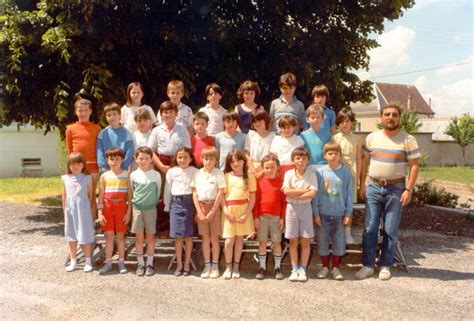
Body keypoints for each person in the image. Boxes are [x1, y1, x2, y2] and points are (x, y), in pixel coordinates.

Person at [356, 104, 420, 281]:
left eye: (394, 115)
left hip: (396, 189)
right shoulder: (371, 138)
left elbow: (415, 166)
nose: (390, 117)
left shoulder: (408, 139)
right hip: (373, 187)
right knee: (370, 228)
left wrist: (408, 189)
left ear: (399, 118)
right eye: (387, 114)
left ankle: (385, 265)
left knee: (391, 229)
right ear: (381, 117)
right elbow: (366, 163)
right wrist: (363, 184)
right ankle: (368, 265)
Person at [148, 100, 191, 238]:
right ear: (161, 114)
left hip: (178, 163)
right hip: (161, 164)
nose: (168, 115)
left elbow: (187, 150)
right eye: (165, 112)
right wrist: (161, 166)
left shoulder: (182, 130)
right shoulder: (156, 131)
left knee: (177, 195)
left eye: (171, 112)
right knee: (161, 198)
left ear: (176, 113)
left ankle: (178, 226)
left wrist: (178, 166)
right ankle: (163, 228)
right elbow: (151, 151)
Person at [313, 142, 353, 281]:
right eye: (330, 153)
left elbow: (349, 194)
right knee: (323, 241)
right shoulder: (320, 172)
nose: (333, 156)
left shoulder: (345, 172)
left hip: (339, 215)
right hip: (323, 214)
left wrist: (348, 213)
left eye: (336, 153)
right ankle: (324, 267)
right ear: (325, 155)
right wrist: (316, 213)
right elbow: (316, 194)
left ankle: (335, 267)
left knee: (339, 242)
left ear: (340, 155)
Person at [282, 147, 317, 282]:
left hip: (306, 208)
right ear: (293, 160)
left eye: (303, 158)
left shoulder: (311, 174)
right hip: (291, 209)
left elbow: (312, 193)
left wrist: (295, 192)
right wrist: (303, 191)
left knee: (305, 240)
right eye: (298, 158)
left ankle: (303, 269)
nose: (301, 160)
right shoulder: (289, 174)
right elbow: (286, 192)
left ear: (308, 160)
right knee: (293, 240)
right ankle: (294, 268)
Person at [221, 150, 256, 280]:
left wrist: (246, 214)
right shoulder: (226, 176)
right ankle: (228, 266)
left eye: (238, 160)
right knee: (229, 241)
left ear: (244, 161)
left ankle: (236, 266)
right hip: (230, 211)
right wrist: (226, 211)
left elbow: (252, 197)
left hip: (244, 210)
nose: (236, 163)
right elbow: (222, 197)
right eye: (232, 161)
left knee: (239, 240)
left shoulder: (249, 176)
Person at [191, 146, 225, 279]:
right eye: (206, 158)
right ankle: (207, 265)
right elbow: (194, 193)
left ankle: (215, 265)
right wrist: (199, 211)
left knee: (214, 238)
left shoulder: (219, 173)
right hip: (201, 206)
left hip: (214, 207)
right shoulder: (197, 173)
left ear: (216, 160)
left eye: (211, 159)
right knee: (205, 238)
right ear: (201, 159)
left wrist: (212, 211)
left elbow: (220, 193)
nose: (208, 161)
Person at [97, 147, 132, 275]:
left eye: (117, 159)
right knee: (109, 237)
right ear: (107, 160)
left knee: (121, 236)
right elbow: (100, 195)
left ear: (122, 159)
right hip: (107, 207)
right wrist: (100, 213)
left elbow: (129, 196)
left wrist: (128, 213)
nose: (114, 161)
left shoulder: (127, 175)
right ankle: (108, 263)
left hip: (121, 207)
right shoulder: (104, 176)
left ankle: (121, 262)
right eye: (111, 159)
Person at [164, 148, 197, 276]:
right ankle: (179, 264)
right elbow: (167, 189)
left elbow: (196, 190)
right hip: (176, 203)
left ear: (190, 159)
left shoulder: (195, 171)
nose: (182, 160)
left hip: (189, 202)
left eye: (185, 157)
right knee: (178, 236)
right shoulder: (172, 171)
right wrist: (167, 205)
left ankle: (187, 263)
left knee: (188, 236)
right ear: (176, 159)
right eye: (179, 157)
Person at [65, 98, 101, 216]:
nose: (83, 113)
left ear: (90, 111)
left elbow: (99, 147)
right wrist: (74, 165)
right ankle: (80, 220)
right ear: (76, 112)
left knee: (91, 194)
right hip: (77, 167)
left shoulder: (97, 128)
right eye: (80, 110)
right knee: (79, 194)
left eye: (86, 110)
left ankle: (92, 222)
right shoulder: (70, 128)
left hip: (93, 166)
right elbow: (69, 149)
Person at [253, 153, 286, 280]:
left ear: (278, 167)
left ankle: (277, 268)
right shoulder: (259, 182)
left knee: (276, 242)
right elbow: (255, 202)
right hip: (262, 217)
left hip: (276, 218)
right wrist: (255, 217)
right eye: (266, 168)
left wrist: (282, 218)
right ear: (262, 168)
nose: (269, 170)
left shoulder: (281, 183)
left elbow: (284, 203)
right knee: (262, 242)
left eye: (272, 167)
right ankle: (262, 267)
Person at [130, 147, 162, 277]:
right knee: (139, 237)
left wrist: (152, 203)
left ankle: (149, 263)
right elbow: (132, 191)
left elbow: (158, 191)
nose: (143, 161)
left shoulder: (156, 175)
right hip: (137, 209)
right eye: (141, 158)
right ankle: (140, 263)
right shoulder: (133, 175)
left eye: (147, 158)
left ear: (151, 160)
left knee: (150, 237)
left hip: (151, 209)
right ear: (136, 159)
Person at [62, 152, 95, 273]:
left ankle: (88, 261)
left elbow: (91, 196)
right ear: (69, 166)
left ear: (83, 165)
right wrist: (64, 211)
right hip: (70, 211)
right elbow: (64, 196)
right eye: (72, 164)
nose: (75, 166)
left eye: (78, 163)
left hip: (84, 210)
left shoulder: (87, 178)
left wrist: (91, 212)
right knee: (71, 235)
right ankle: (73, 260)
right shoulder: (65, 178)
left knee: (85, 234)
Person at [333, 107, 363, 244]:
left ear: (352, 122)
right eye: (341, 122)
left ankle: (347, 232)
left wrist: (357, 177)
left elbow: (358, 158)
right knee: (336, 201)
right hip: (338, 172)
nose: (344, 124)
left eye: (347, 121)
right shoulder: (335, 138)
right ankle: (336, 231)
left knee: (349, 203)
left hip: (351, 172)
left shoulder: (357, 139)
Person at [96, 102, 134, 172]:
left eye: (114, 114)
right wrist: (104, 167)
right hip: (106, 170)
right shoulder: (102, 133)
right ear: (106, 118)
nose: (112, 117)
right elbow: (100, 152)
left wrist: (123, 167)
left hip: (122, 169)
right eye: (108, 115)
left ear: (119, 115)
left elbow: (129, 152)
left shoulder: (127, 133)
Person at [300, 104, 332, 171]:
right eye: (313, 117)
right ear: (307, 119)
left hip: (324, 166)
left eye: (318, 117)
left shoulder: (328, 135)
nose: (315, 119)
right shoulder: (302, 135)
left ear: (322, 119)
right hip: (308, 167)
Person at [244, 109, 276, 178]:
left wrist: (262, 171)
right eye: (254, 122)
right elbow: (247, 154)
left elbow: (273, 156)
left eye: (259, 121)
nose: (257, 124)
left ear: (265, 121)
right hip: (252, 169)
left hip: (267, 169)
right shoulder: (250, 135)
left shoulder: (273, 137)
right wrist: (253, 171)